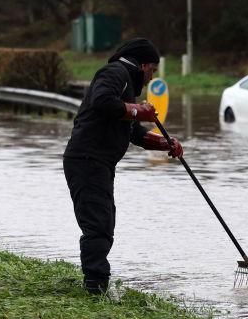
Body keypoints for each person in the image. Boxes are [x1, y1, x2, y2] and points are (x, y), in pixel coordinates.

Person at [62, 38, 184, 295]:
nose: (151, 78)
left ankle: (96, 283)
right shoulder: (115, 73)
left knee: (104, 221)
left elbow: (134, 133)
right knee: (98, 224)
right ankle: (96, 287)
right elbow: (102, 102)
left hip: (99, 163)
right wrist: (138, 110)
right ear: (142, 65)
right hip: (87, 160)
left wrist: (165, 143)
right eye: (152, 70)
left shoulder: (126, 84)